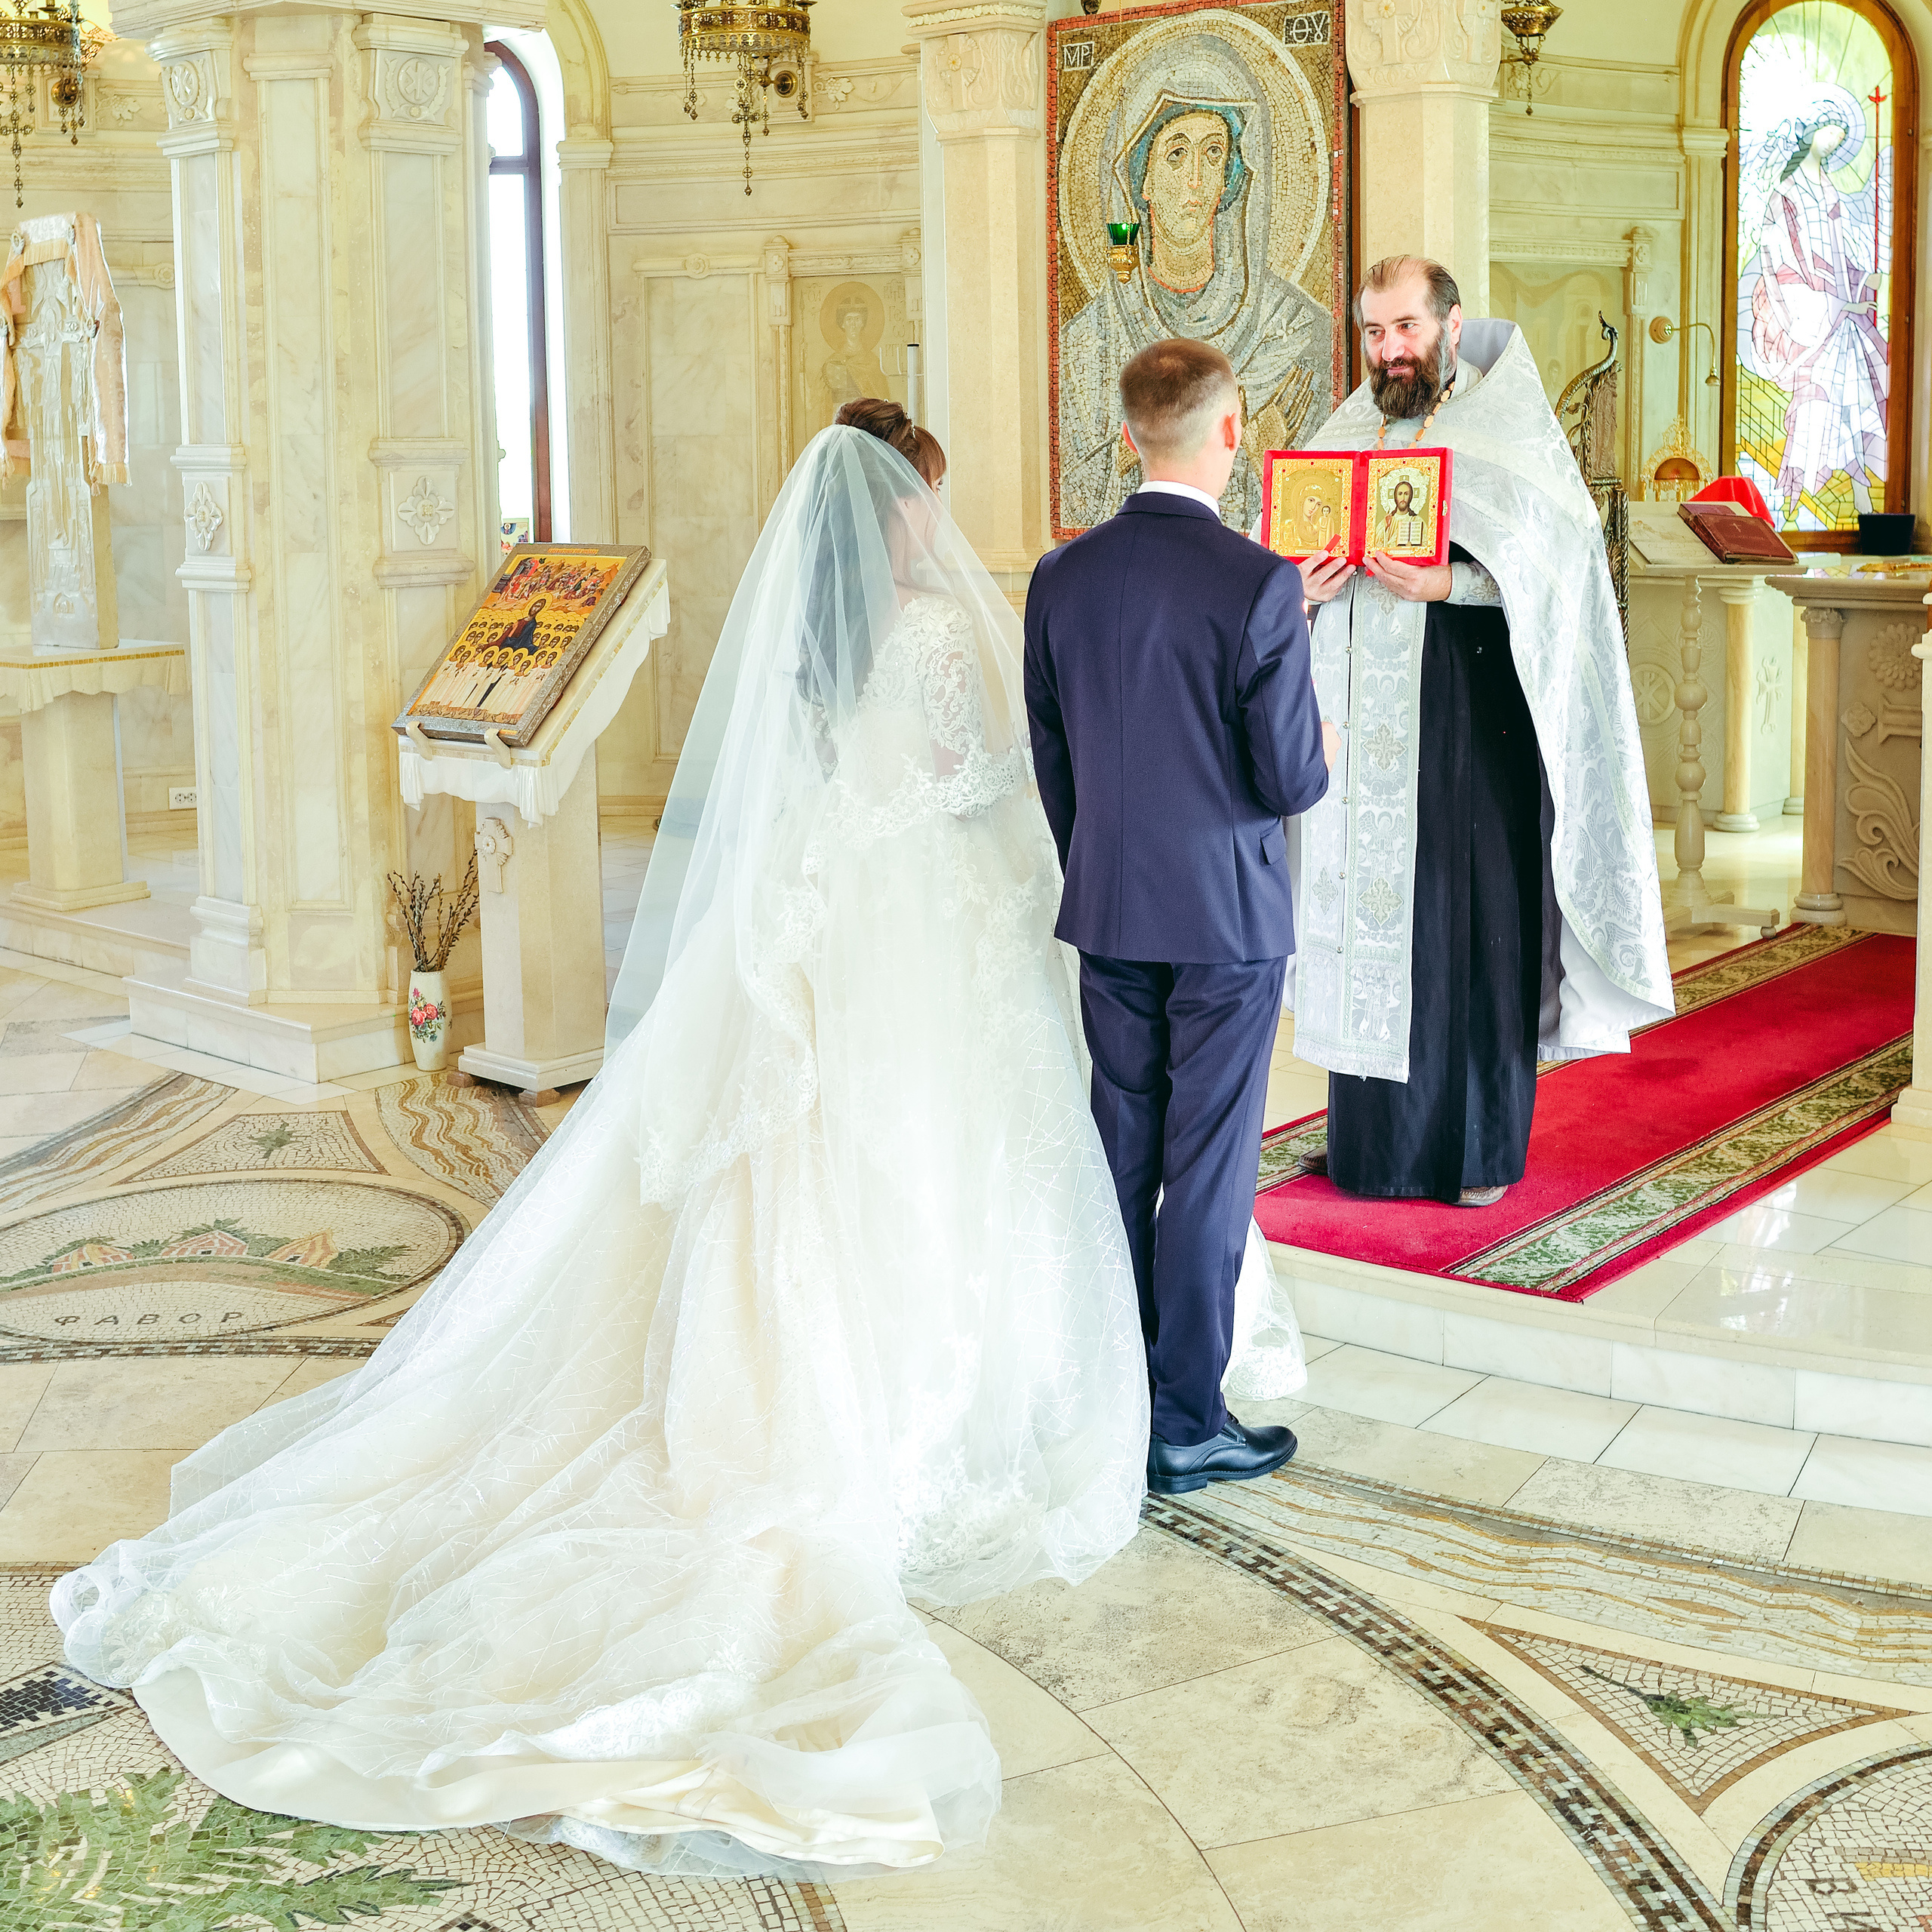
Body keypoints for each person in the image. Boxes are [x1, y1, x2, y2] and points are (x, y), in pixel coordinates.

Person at [53, 402, 1304, 1881]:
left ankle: (864, 1375)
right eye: (927, 502)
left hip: (817, 916)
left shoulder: (812, 631)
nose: (931, 526)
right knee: (950, 1163)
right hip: (920, 924)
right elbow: (966, 773)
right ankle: (978, 1402)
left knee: (821, 1166)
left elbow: (832, 777)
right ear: (904, 508)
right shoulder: (920, 623)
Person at [1291, 257, 1672, 1208]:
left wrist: (1451, 584)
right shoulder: (1348, 426)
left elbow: (1565, 573)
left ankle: (1473, 1154)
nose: (1389, 349)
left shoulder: (1507, 429)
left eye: (1406, 328)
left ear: (1452, 325)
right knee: (1379, 922)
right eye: (1374, 332)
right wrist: (1300, 588)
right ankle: (1375, 1152)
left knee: (1474, 929)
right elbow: (1293, 548)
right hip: (1366, 733)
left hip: (1476, 724)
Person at [1026, 337, 1333, 1497]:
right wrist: (1327, 744)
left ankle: (1112, 1396)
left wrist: (1098, 859)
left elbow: (1056, 759)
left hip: (1109, 904)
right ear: (1231, 433)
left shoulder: (1062, 576)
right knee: (1205, 1169)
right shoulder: (1257, 582)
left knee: (1122, 1145)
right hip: (1226, 921)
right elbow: (1291, 778)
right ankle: (1187, 1421)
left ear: (1125, 438)